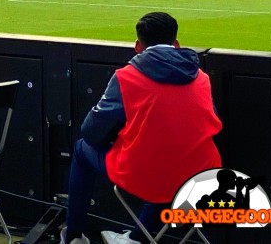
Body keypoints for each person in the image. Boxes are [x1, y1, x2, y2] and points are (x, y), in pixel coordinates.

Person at [62, 13, 222, 244]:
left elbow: (92, 131)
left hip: (149, 174)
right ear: (176, 44)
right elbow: (211, 119)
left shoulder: (127, 77)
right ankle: (136, 238)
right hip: (203, 174)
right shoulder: (201, 77)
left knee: (81, 150)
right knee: (169, 161)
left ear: (138, 46)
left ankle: (74, 236)